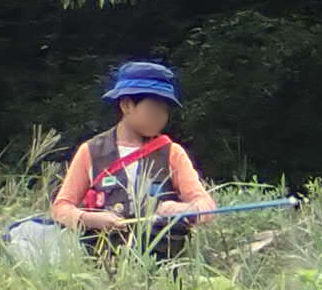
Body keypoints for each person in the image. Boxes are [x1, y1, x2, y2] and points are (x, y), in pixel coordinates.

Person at [49, 60, 217, 256]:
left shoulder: (173, 153)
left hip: (163, 268)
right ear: (126, 105)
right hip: (103, 265)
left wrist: (182, 208)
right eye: (154, 109)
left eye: (165, 111)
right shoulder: (91, 151)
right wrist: (89, 219)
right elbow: (61, 208)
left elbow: (207, 207)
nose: (161, 117)